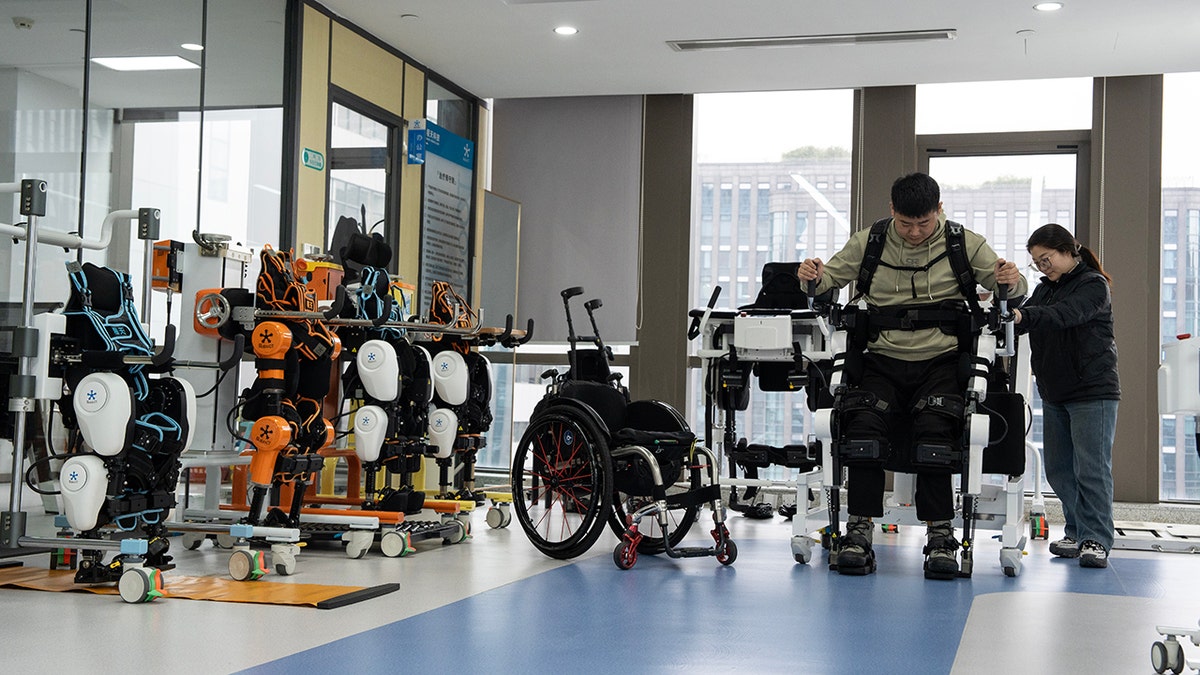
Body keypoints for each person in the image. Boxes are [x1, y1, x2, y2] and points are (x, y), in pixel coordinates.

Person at [797, 172, 1026, 579]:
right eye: (906, 223)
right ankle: (858, 532)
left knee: (937, 429)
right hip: (880, 357)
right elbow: (828, 280)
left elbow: (1008, 285)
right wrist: (812, 277)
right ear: (892, 212)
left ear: (939, 209)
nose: (916, 232)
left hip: (941, 360)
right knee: (863, 428)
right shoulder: (870, 241)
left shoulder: (963, 243)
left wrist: (1012, 280)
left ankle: (940, 537)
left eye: (924, 222)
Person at [1013, 223, 1119, 569]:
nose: (1044, 268)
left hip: (1092, 390)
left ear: (1068, 250)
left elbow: (1065, 315)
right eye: (1037, 263)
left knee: (1091, 468)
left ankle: (1096, 538)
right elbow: (1025, 317)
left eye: (1046, 259)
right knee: (1059, 468)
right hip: (1056, 391)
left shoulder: (1093, 285)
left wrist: (1024, 315)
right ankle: (1076, 530)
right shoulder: (1044, 290)